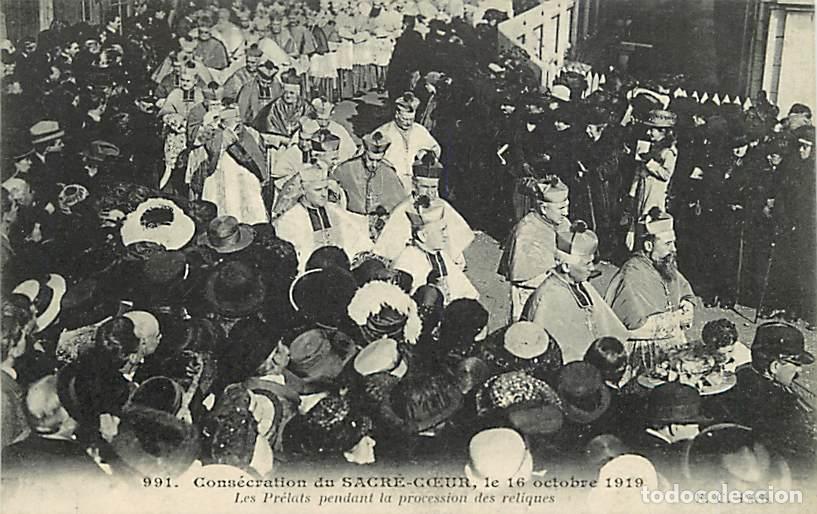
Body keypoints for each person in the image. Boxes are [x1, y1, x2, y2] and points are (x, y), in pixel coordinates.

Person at [717, 322, 815, 478]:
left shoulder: (739, 375)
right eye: (796, 364)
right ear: (774, 366)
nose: (799, 371)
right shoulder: (784, 406)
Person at [522, 221, 629, 363]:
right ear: (566, 266)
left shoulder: (581, 284)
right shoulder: (549, 297)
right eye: (587, 264)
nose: (592, 268)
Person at [605, 209, 696, 374]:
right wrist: (677, 320)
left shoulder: (665, 264)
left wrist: (688, 304)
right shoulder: (632, 273)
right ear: (648, 245)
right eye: (668, 244)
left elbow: (683, 289)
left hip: (673, 348)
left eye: (673, 243)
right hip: (645, 352)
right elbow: (632, 327)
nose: (674, 248)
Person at [374, 153, 473, 262]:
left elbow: (457, 240)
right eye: (425, 187)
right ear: (414, 184)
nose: (430, 192)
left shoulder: (442, 206)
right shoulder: (403, 209)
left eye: (434, 187)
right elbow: (390, 249)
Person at [274, 163, 371, 271]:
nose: (324, 194)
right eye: (318, 190)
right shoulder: (290, 220)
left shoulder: (334, 210)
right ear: (303, 191)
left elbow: (356, 235)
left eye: (325, 188)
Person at [499, 176, 570, 321]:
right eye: (561, 208)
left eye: (568, 206)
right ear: (544, 208)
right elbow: (523, 276)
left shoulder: (563, 223)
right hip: (530, 297)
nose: (566, 212)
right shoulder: (526, 231)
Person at [393, 199, 478, 304]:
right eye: (442, 230)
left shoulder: (439, 255)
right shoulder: (408, 258)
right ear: (423, 235)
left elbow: (465, 290)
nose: (446, 235)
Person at [331, 130, 407, 240]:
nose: (374, 165)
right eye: (371, 160)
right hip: (352, 226)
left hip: (380, 229)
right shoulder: (346, 169)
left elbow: (400, 205)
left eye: (378, 160)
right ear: (365, 152)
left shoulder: (388, 172)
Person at [201, 107, 270, 224]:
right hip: (223, 172)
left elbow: (254, 154)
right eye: (233, 119)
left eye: (237, 118)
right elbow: (212, 151)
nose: (237, 121)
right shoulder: (217, 133)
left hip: (244, 174)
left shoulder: (248, 133)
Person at [625, 109, 678, 247]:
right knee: (638, 221)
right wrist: (632, 192)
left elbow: (666, 174)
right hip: (642, 191)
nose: (649, 133)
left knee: (652, 224)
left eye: (652, 130)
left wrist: (650, 163)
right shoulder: (647, 146)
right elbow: (638, 171)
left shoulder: (669, 151)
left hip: (655, 194)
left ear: (663, 132)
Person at [375, 92, 441, 192]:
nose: (408, 123)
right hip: (393, 183)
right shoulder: (384, 132)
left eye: (411, 119)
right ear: (397, 114)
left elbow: (436, 149)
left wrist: (427, 153)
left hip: (417, 183)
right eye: (405, 119)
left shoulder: (420, 130)